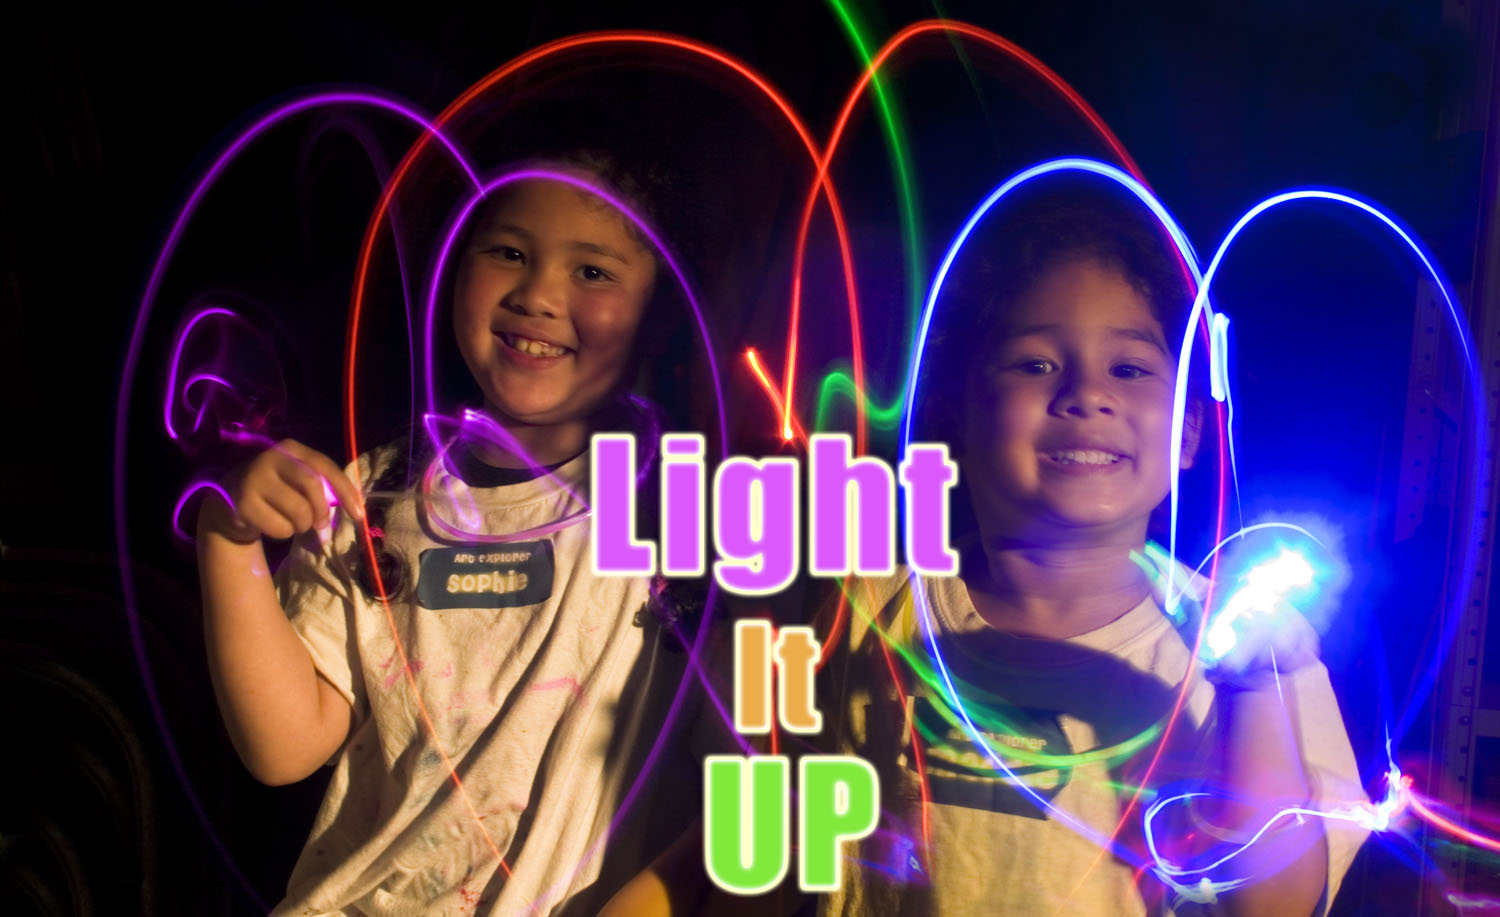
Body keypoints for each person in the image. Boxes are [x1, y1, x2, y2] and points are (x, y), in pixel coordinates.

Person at [812, 186, 1370, 916]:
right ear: (960, 410)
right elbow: (772, 837)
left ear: (1190, 431)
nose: (1086, 394)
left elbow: (1277, 906)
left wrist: (1251, 689)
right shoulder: (869, 606)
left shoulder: (1253, 652)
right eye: (1035, 364)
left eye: (1131, 369)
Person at [195, 151, 707, 916]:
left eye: (593, 271)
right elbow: (284, 745)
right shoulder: (374, 492)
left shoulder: (686, 509)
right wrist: (227, 538)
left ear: (660, 311)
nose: (536, 294)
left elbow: (762, 787)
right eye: (508, 252)